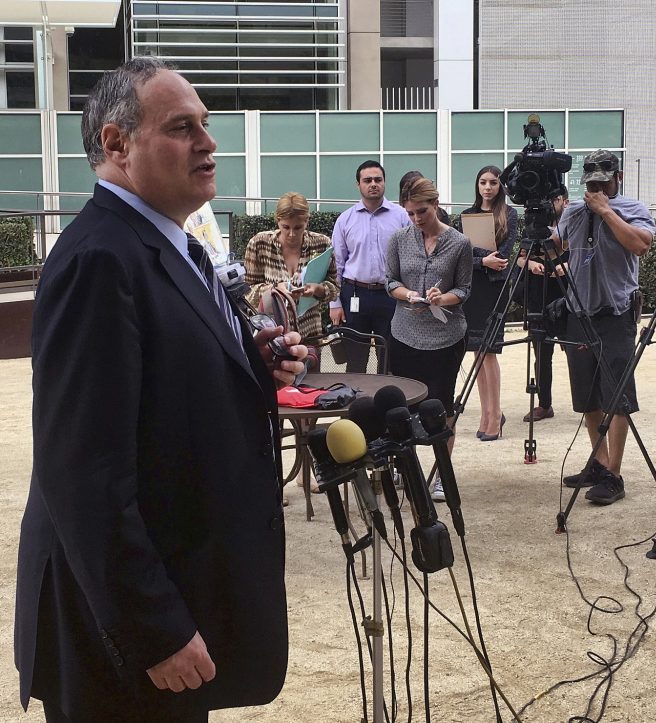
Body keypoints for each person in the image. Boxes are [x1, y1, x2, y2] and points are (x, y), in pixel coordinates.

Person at [15, 57, 307, 722]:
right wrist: (156, 628)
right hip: (119, 638)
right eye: (182, 127)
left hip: (177, 589)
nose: (208, 142)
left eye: (205, 124)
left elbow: (163, 387)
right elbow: (83, 473)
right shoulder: (98, 259)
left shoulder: (173, 243)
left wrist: (253, 361)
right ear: (117, 145)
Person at [558, 150, 653, 505]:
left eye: (603, 181)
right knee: (586, 396)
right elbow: (558, 243)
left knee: (617, 396)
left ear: (618, 177)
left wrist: (606, 211)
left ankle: (615, 472)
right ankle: (598, 463)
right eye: (592, 182)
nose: (597, 187)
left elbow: (641, 245)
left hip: (617, 312)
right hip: (579, 312)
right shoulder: (574, 211)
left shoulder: (632, 208)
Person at [386, 177, 473, 501]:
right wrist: (408, 293)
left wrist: (442, 298)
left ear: (435, 205)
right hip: (404, 334)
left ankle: (440, 473)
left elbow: (464, 290)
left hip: (446, 337)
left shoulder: (460, 244)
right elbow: (389, 281)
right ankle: (406, 467)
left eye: (421, 211)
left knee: (441, 406)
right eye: (409, 213)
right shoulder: (397, 239)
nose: (416, 219)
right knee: (405, 406)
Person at [458, 166, 518, 441]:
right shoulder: (468, 215)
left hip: (495, 288)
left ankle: (495, 415)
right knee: (477, 353)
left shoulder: (511, 214)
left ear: (499, 186)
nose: (487, 187)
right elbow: (463, 256)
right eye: (482, 182)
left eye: (493, 182)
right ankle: (485, 413)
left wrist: (483, 258)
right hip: (473, 288)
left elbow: (504, 255)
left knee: (489, 352)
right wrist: (483, 260)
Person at [330, 160, 410, 368]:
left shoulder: (401, 216)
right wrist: (335, 304)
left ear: (384, 183)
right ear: (358, 185)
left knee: (392, 359)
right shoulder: (345, 220)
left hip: (392, 296)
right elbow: (336, 265)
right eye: (367, 180)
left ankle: (391, 401)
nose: (373, 184)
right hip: (355, 295)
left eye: (378, 179)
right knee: (356, 360)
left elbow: (412, 257)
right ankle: (357, 401)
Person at [244, 191, 339, 345]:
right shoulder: (259, 243)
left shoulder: (321, 243)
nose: (292, 234)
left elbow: (335, 287)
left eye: (298, 227)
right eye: (285, 227)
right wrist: (274, 290)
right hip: (272, 335)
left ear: (307, 221)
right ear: (277, 221)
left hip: (310, 334)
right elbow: (247, 292)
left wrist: (318, 289)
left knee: (311, 369)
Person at [517, 185, 570, 422]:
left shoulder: (574, 224)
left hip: (566, 294)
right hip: (538, 294)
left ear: (565, 202)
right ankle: (544, 403)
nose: (551, 204)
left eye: (555, 199)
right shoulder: (533, 227)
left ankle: (592, 400)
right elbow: (519, 259)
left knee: (577, 348)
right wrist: (530, 264)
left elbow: (584, 254)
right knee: (541, 353)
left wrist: (567, 266)